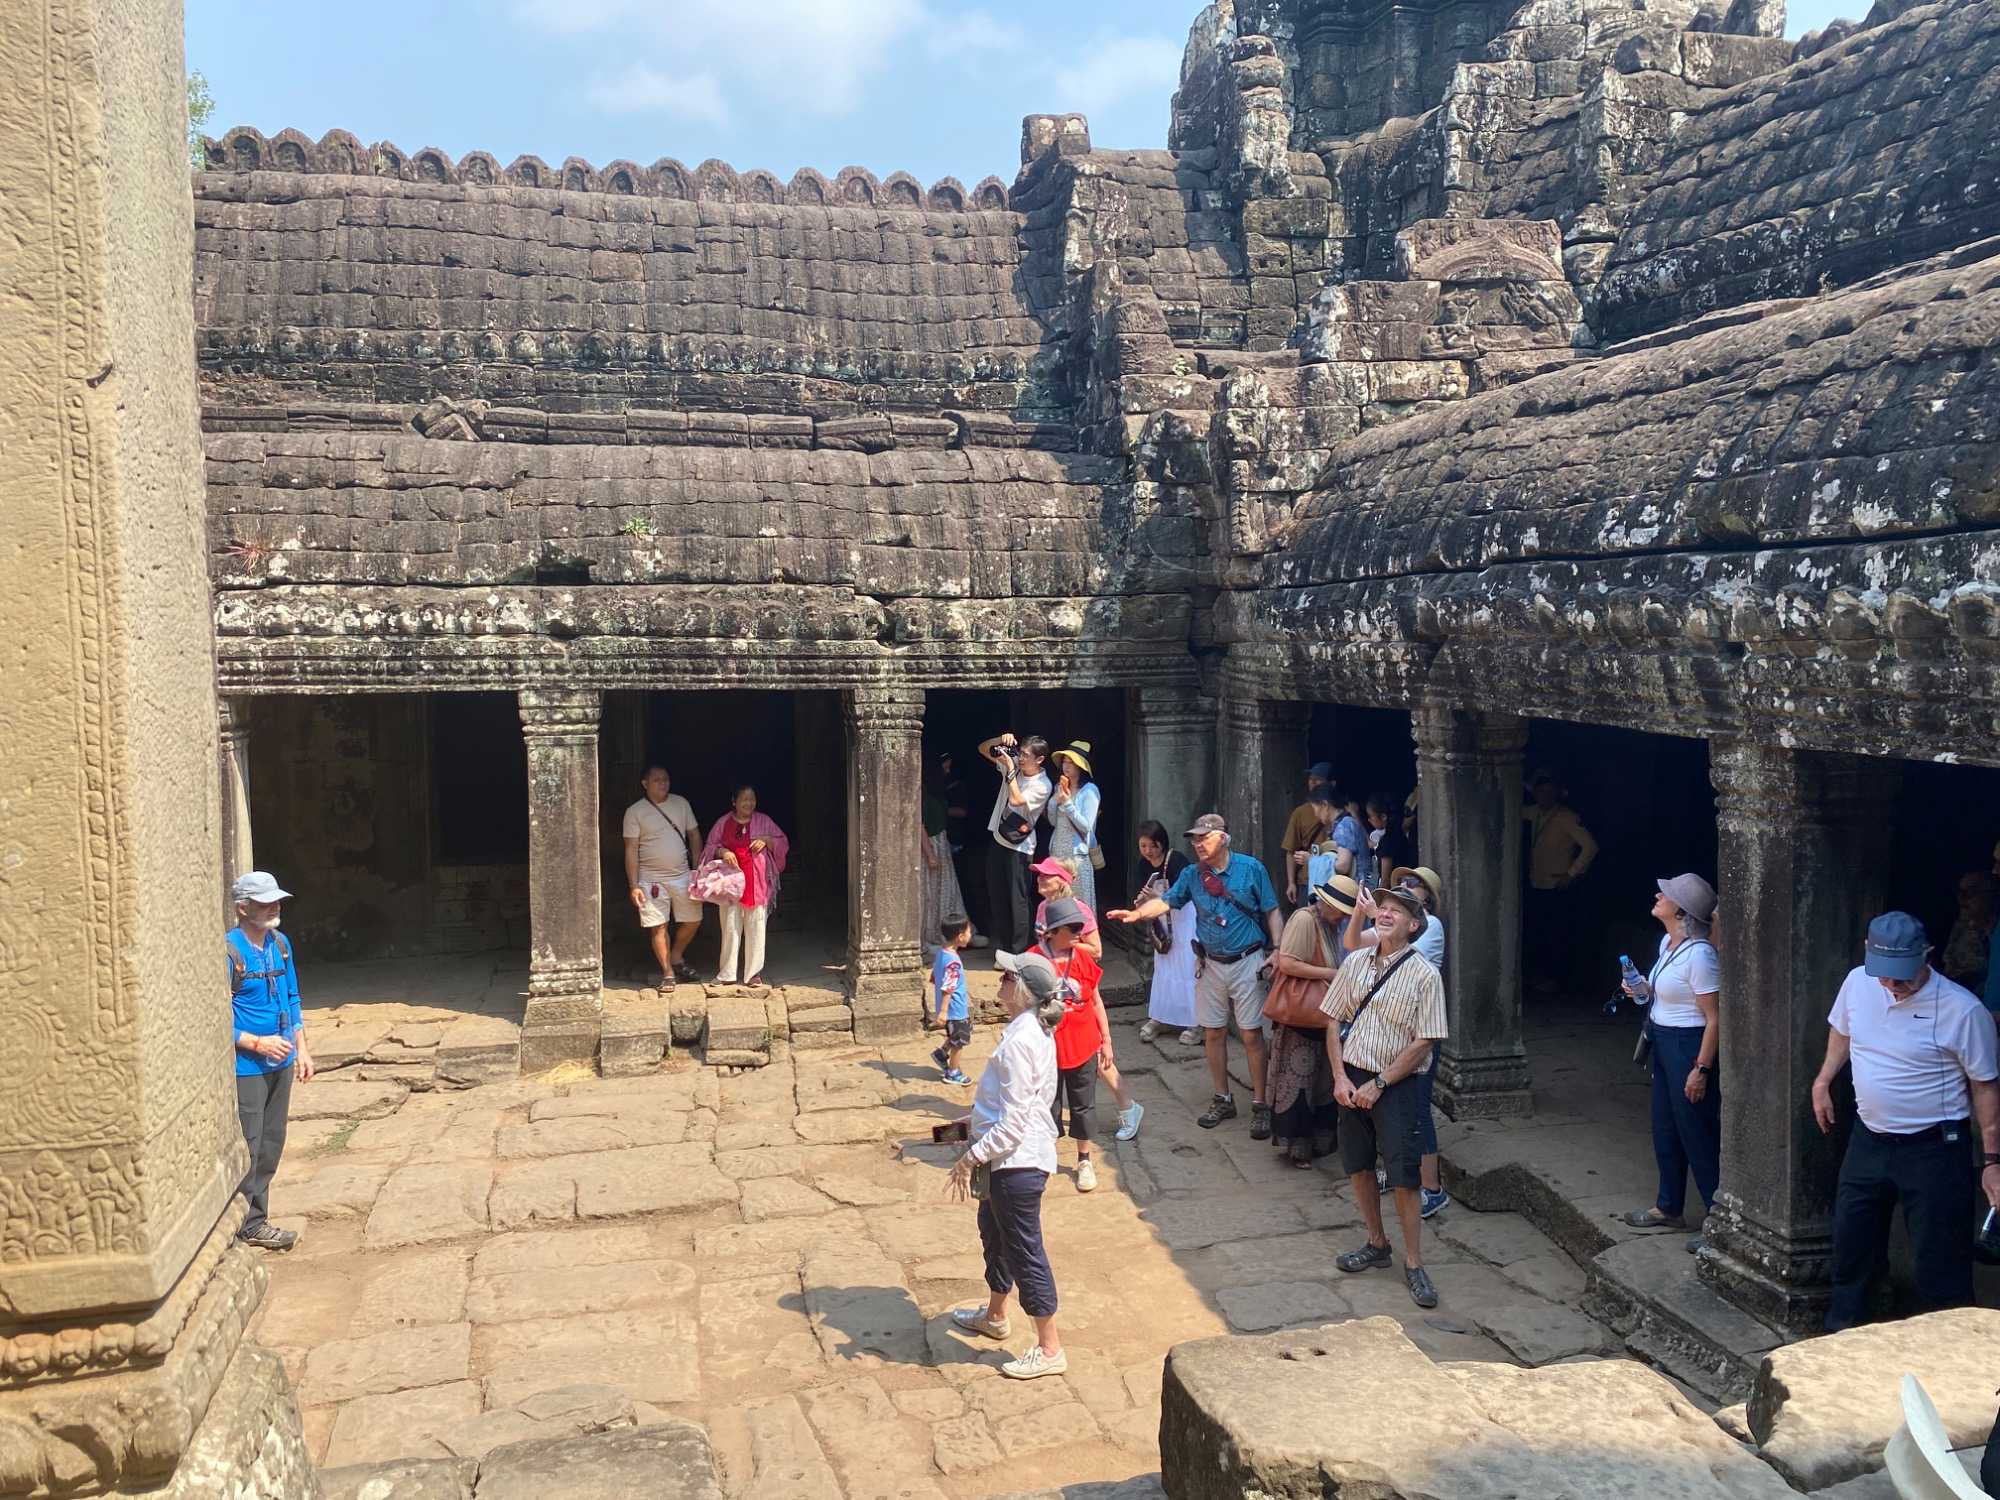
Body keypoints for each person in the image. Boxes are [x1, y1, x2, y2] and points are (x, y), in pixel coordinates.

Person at [1813, 910, 2000, 1331]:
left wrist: (1992, 1161)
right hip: (1869, 1139)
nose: (1893, 986)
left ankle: (1949, 1349)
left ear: (1926, 956)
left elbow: (1985, 1086)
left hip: (1934, 1148)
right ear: (1868, 953)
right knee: (1852, 1248)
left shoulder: (1962, 1010)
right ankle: (1843, 1340)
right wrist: (1824, 1079)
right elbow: (1842, 1029)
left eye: (1903, 976)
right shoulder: (1858, 982)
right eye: (1885, 975)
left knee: (1940, 1265)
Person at [1109, 813, 1283, 1137]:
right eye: (1195, 839)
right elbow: (1165, 902)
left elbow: (1271, 909)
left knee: (1251, 1035)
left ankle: (1261, 1104)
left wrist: (1278, 948)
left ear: (1223, 838)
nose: (1198, 844)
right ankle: (1222, 1098)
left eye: (1205, 837)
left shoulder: (1251, 869)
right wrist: (1136, 914)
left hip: (1247, 960)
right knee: (1213, 1032)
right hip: (1210, 963)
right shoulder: (1192, 874)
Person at [1321, 884, 1449, 1308]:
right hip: (1352, 1077)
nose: (1387, 913)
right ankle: (1377, 1243)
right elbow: (1333, 1020)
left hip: (1398, 1084)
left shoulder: (1424, 975)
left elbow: (1425, 1040)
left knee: (1404, 1175)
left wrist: (1379, 1084)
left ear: (1413, 926)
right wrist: (1340, 1078)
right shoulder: (1355, 961)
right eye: (1384, 907)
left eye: (1398, 910)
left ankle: (1414, 1263)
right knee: (1358, 1165)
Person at [947, 949, 1068, 1380]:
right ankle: (996, 1314)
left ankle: (1050, 1348)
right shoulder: (1029, 1030)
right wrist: (971, 1125)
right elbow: (1018, 1104)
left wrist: (970, 1158)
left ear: (1024, 991)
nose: (999, 980)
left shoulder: (1021, 1041)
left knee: (1023, 1250)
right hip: (1008, 1158)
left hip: (1016, 1163)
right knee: (994, 1234)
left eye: (1007, 977)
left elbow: (1014, 1124)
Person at [1619, 875, 1721, 1246]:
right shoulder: (1669, 943)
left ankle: (1718, 1221)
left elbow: (1715, 1018)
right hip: (1664, 1040)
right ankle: (1669, 1206)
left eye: (1668, 894)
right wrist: (1640, 988)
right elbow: (1662, 994)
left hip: (1688, 1044)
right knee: (1665, 1127)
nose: (1659, 895)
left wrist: (1701, 1069)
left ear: (1681, 911)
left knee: (1696, 1131)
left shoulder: (1700, 955)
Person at [1347, 867, 1450, 1216]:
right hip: (1385, 1034)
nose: (1405, 886)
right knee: (1392, 1110)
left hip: (1416, 1033)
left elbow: (1400, 955)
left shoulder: (1431, 926)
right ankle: (1400, 1173)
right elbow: (1352, 945)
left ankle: (1432, 1188)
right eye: (1402, 883)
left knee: (1418, 1109)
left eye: (1414, 884)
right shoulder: (1391, 923)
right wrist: (1360, 913)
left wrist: (1377, 918)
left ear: (1426, 898)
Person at [228, 871, 313, 1251]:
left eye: (276, 900)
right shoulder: (229, 952)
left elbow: (291, 997)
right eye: (264, 902)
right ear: (242, 908)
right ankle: (246, 1223)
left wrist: (302, 1048)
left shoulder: (280, 944)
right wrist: (257, 1043)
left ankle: (255, 1220)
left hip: (282, 1061)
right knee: (250, 1143)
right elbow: (212, 1017)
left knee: (272, 1143)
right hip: (246, 1067)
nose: (274, 907)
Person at [1265, 876, 1358, 1167]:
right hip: (1303, 1015)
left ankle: (1321, 1139)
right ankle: (1298, 1145)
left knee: (1323, 1080)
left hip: (1323, 1014)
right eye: (1341, 911)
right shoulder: (1305, 920)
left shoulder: (1331, 924)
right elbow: (1288, 962)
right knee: (1299, 1080)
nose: (1343, 917)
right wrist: (1331, 974)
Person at [1038, 896, 1142, 1154]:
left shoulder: (1082, 958)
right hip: (1047, 1046)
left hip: (1083, 1042)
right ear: (1053, 932)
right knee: (1047, 1105)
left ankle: (1084, 1158)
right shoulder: (1034, 960)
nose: (1079, 933)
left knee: (1083, 1104)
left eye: (1080, 927)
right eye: (1073, 928)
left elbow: (1095, 1001)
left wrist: (1106, 1040)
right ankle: (1046, 1156)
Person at [622, 765, 704, 990]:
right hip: (651, 879)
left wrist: (697, 870)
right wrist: (634, 885)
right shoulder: (635, 812)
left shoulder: (681, 803)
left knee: (693, 920)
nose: (663, 783)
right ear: (645, 784)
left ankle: (676, 955)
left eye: (666, 779)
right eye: (657, 780)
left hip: (682, 875)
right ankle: (668, 972)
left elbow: (694, 835)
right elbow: (631, 849)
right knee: (658, 926)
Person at [700, 784, 790, 988]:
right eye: (744, 800)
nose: (749, 803)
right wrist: (723, 852)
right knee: (730, 927)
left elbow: (782, 841)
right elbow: (710, 847)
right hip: (729, 883)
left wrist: (767, 840)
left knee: (756, 927)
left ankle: (753, 974)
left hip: (756, 882)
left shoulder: (764, 821)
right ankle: (727, 973)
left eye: (752, 799)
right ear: (734, 802)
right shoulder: (723, 823)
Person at [1523, 769, 1598, 993]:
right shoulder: (1534, 812)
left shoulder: (1567, 817)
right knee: (1538, 933)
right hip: (1537, 883)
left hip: (1557, 885)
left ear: (1557, 793)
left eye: (1549, 792)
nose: (1544, 796)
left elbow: (1590, 847)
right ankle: (1541, 978)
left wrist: (1571, 873)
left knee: (1557, 935)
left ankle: (1558, 981)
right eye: (1540, 791)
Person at [979, 731, 1053, 950]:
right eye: (1020, 753)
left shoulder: (1043, 784)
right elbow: (982, 749)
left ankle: (1020, 949)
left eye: (1026, 755)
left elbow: (1016, 800)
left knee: (1018, 899)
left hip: (1020, 846)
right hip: (999, 837)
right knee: (997, 895)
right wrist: (1000, 740)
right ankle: (1004, 947)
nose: (1021, 758)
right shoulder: (1015, 765)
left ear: (1039, 759)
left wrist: (1010, 769)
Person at [1134, 821, 1199, 1046]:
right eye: (1143, 846)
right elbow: (1143, 895)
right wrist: (1142, 902)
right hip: (1161, 921)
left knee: (1187, 967)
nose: (1147, 851)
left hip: (1184, 920)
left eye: (1152, 846)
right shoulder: (1143, 865)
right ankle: (1160, 1017)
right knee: (1164, 969)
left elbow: (1186, 893)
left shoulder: (1177, 860)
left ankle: (1195, 1022)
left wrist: (1159, 897)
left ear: (1161, 843)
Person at [922, 767, 973, 960]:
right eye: (944, 767)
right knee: (931, 894)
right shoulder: (922, 794)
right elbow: (919, 826)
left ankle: (957, 933)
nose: (947, 771)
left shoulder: (938, 793)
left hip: (941, 843)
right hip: (931, 844)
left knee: (948, 891)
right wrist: (930, 854)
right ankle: (933, 936)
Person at [1046, 741, 1101, 914]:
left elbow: (1086, 826)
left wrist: (1068, 803)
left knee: (1079, 904)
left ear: (1080, 767)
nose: (1066, 766)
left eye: (1071, 763)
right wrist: (1054, 801)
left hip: (1076, 856)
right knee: (1058, 901)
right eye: (1064, 761)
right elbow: (1053, 821)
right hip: (1057, 852)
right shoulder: (1059, 787)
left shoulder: (1089, 790)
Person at [1280, 762, 1336, 905]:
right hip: (1307, 880)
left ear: (1332, 784)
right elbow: (1291, 850)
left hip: (1336, 880)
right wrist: (1291, 882)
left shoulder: (1343, 815)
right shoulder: (1300, 813)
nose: (1312, 783)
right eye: (1310, 779)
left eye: (1318, 780)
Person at [928, 913, 975, 1085]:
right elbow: (949, 987)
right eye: (969, 932)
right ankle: (953, 1072)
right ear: (960, 936)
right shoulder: (953, 961)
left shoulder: (942, 953)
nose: (970, 935)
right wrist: (944, 1011)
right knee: (959, 1042)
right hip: (955, 1008)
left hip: (951, 1007)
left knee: (956, 1034)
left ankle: (941, 1053)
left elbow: (935, 974)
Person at [1032, 856, 1103, 960]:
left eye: (1047, 874)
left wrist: (1064, 943)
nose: (1040, 878)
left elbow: (1096, 951)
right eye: (1040, 874)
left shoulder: (1079, 909)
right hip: (1048, 963)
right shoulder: (1043, 906)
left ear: (1063, 880)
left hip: (1069, 967)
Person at [1942, 871, 1996, 992]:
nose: (1962, 899)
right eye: (1960, 893)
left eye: (1971, 892)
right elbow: (1949, 962)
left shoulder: (1994, 932)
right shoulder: (1963, 924)